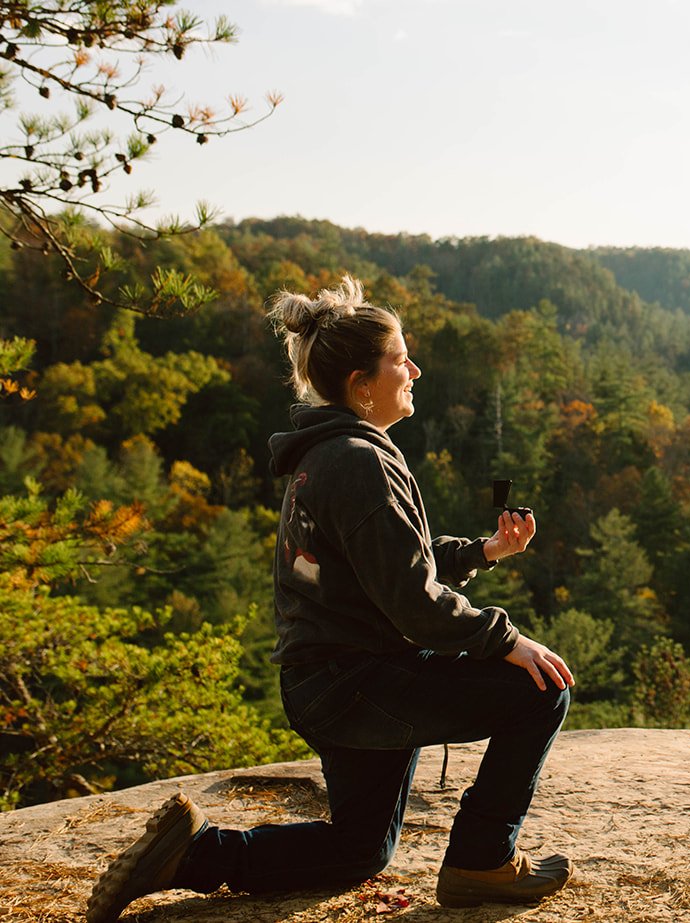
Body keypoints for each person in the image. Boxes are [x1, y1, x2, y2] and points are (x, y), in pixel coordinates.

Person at [88, 276, 575, 921]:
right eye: (401, 359)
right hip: (356, 681)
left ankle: (189, 857)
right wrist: (504, 639)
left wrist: (483, 552)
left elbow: (395, 563)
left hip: (334, 678)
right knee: (539, 689)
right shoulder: (355, 461)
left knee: (357, 852)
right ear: (361, 384)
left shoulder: (333, 455)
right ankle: (481, 860)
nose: (416, 369)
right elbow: (412, 601)